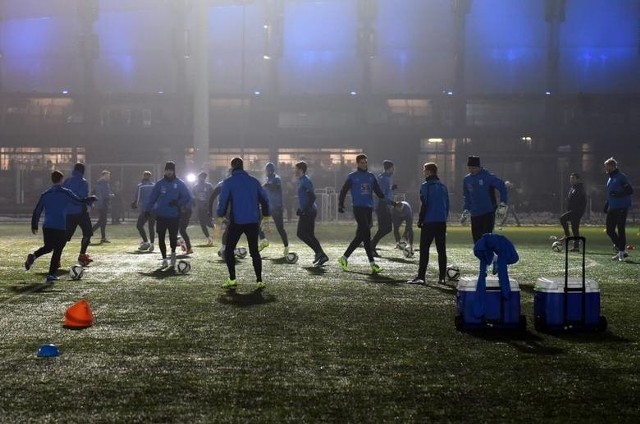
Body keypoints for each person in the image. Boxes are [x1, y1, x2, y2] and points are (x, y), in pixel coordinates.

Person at [25, 170, 95, 283]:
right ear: (61, 180)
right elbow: (78, 201)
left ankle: (33, 256)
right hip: (60, 226)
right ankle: (51, 274)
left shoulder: (46, 194)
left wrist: (34, 224)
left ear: (52, 180)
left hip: (47, 226)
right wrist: (90, 199)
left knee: (48, 247)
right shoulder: (65, 192)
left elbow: (38, 209)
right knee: (57, 249)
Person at [217, 157, 270, 289]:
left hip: (237, 221)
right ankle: (259, 280)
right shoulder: (254, 181)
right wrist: (266, 215)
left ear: (232, 167)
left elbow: (223, 200)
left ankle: (232, 278)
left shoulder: (229, 182)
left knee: (229, 250)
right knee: (254, 252)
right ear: (242, 166)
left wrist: (220, 215)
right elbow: (264, 199)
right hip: (253, 221)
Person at [337, 154, 386, 274]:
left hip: (369, 209)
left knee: (362, 236)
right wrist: (340, 204)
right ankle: (373, 264)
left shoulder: (371, 176)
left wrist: (388, 199)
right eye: (362, 162)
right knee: (366, 233)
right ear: (358, 163)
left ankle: (344, 258)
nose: (365, 164)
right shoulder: (352, 177)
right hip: (358, 208)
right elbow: (343, 190)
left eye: (366, 162)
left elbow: (378, 192)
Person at [144, 161, 192, 269]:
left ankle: (173, 254)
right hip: (161, 215)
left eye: (171, 170)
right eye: (167, 170)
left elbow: (188, 197)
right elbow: (152, 197)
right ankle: (164, 259)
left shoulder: (179, 183)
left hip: (174, 216)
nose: (169, 172)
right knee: (161, 238)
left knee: (172, 238)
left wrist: (178, 203)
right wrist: (147, 209)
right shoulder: (160, 184)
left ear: (174, 171)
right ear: (164, 171)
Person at [408, 163, 449, 285]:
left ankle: (421, 277)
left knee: (424, 249)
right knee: (441, 250)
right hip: (441, 222)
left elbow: (424, 204)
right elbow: (447, 205)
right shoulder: (443, 187)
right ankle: (442, 278)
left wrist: (420, 220)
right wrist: (443, 218)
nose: (423, 172)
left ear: (429, 172)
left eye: (424, 170)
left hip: (429, 221)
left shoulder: (425, 186)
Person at [461, 155, 508, 244]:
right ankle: (482, 258)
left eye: (474, 168)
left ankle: (489, 257)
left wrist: (503, 203)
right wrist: (466, 209)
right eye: (470, 168)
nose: (471, 170)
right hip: (475, 214)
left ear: (478, 167)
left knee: (486, 240)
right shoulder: (467, 179)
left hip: (488, 213)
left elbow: (502, 186)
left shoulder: (488, 177)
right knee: (477, 241)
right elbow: (467, 196)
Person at [294, 161, 328, 266]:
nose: (294, 171)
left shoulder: (305, 181)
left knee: (301, 233)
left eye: (295, 169)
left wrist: (304, 209)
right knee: (309, 234)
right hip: (308, 210)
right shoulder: (301, 180)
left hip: (309, 211)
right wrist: (301, 208)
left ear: (300, 170)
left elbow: (312, 197)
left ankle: (319, 253)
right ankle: (321, 255)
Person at [62, 162, 94, 266]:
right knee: (88, 233)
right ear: (83, 171)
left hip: (68, 213)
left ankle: (56, 258)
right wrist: (91, 201)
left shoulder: (67, 181)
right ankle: (82, 254)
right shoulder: (83, 182)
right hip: (80, 212)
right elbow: (82, 197)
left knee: (65, 237)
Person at [603, 157, 633, 261]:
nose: (606, 168)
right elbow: (610, 194)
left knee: (620, 228)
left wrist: (618, 194)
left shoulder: (621, 177)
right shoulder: (610, 178)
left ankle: (621, 252)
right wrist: (607, 204)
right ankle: (622, 250)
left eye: (607, 166)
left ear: (612, 166)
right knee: (609, 230)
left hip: (622, 206)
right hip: (613, 207)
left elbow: (630, 190)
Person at [258, 162, 289, 256]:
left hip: (276, 207)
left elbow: (275, 186)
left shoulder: (276, 179)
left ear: (270, 170)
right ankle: (263, 240)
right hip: (268, 207)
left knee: (280, 229)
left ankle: (286, 246)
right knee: (256, 223)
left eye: (267, 170)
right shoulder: (268, 179)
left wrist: (266, 185)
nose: (266, 172)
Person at [370, 160, 396, 256]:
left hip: (385, 205)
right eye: (393, 168)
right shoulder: (383, 178)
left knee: (387, 228)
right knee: (383, 228)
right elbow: (380, 194)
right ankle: (371, 246)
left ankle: (372, 244)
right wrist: (391, 203)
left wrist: (391, 188)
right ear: (389, 168)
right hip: (382, 205)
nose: (394, 170)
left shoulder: (387, 178)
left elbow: (385, 191)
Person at [559, 173, 587, 252]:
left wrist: (580, 210)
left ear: (578, 179)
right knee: (575, 228)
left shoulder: (580, 189)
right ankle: (576, 247)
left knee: (562, 219)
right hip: (572, 210)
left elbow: (583, 201)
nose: (571, 180)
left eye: (573, 178)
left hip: (576, 211)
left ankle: (567, 235)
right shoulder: (573, 188)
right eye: (570, 178)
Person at [131, 170, 155, 252]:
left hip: (145, 209)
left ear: (143, 176)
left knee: (139, 225)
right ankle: (152, 244)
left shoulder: (140, 186)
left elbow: (138, 197)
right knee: (151, 227)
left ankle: (145, 241)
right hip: (153, 209)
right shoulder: (154, 185)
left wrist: (135, 204)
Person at [192, 171, 215, 246]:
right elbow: (193, 196)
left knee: (208, 223)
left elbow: (213, 195)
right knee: (202, 224)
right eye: (200, 177)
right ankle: (209, 238)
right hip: (200, 208)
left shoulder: (208, 186)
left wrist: (210, 204)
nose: (201, 178)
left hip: (207, 208)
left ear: (204, 178)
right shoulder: (195, 187)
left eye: (203, 177)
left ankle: (214, 227)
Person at [91, 170, 113, 243]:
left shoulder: (99, 183)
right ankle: (88, 234)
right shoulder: (103, 183)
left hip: (100, 203)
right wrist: (110, 195)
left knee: (103, 221)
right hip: (103, 204)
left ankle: (103, 237)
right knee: (101, 221)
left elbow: (93, 192)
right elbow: (105, 194)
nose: (108, 177)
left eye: (109, 176)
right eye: (107, 176)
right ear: (103, 176)